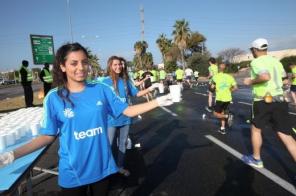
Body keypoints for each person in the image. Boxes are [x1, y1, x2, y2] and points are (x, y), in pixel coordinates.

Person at [0, 43, 173, 196]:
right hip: (73, 171)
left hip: (102, 167)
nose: (80, 67)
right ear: (62, 66)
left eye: (84, 62)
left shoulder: (101, 89)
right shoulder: (54, 97)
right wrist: (12, 155)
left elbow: (127, 110)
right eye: (73, 63)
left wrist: (158, 101)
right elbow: (48, 136)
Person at [242, 38, 296, 168]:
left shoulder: (256, 62)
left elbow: (265, 76)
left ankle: (256, 159)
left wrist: (250, 81)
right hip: (280, 100)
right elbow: (285, 81)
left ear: (254, 50)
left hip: (263, 101)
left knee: (256, 129)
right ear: (266, 49)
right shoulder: (276, 62)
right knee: (286, 135)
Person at [102, 56, 157, 177]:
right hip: (111, 119)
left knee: (123, 143)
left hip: (126, 118)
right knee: (108, 145)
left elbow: (136, 93)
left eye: (120, 64)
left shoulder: (125, 80)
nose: (118, 67)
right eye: (115, 64)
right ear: (110, 66)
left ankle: (120, 166)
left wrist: (150, 88)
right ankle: (107, 168)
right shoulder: (104, 81)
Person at [211, 63, 237, 134]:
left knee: (215, 114)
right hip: (228, 98)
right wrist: (229, 90)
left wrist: (214, 89)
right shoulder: (230, 77)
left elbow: (212, 88)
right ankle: (222, 128)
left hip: (220, 98)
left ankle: (228, 116)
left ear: (219, 69)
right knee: (222, 112)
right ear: (225, 69)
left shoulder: (215, 77)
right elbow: (235, 88)